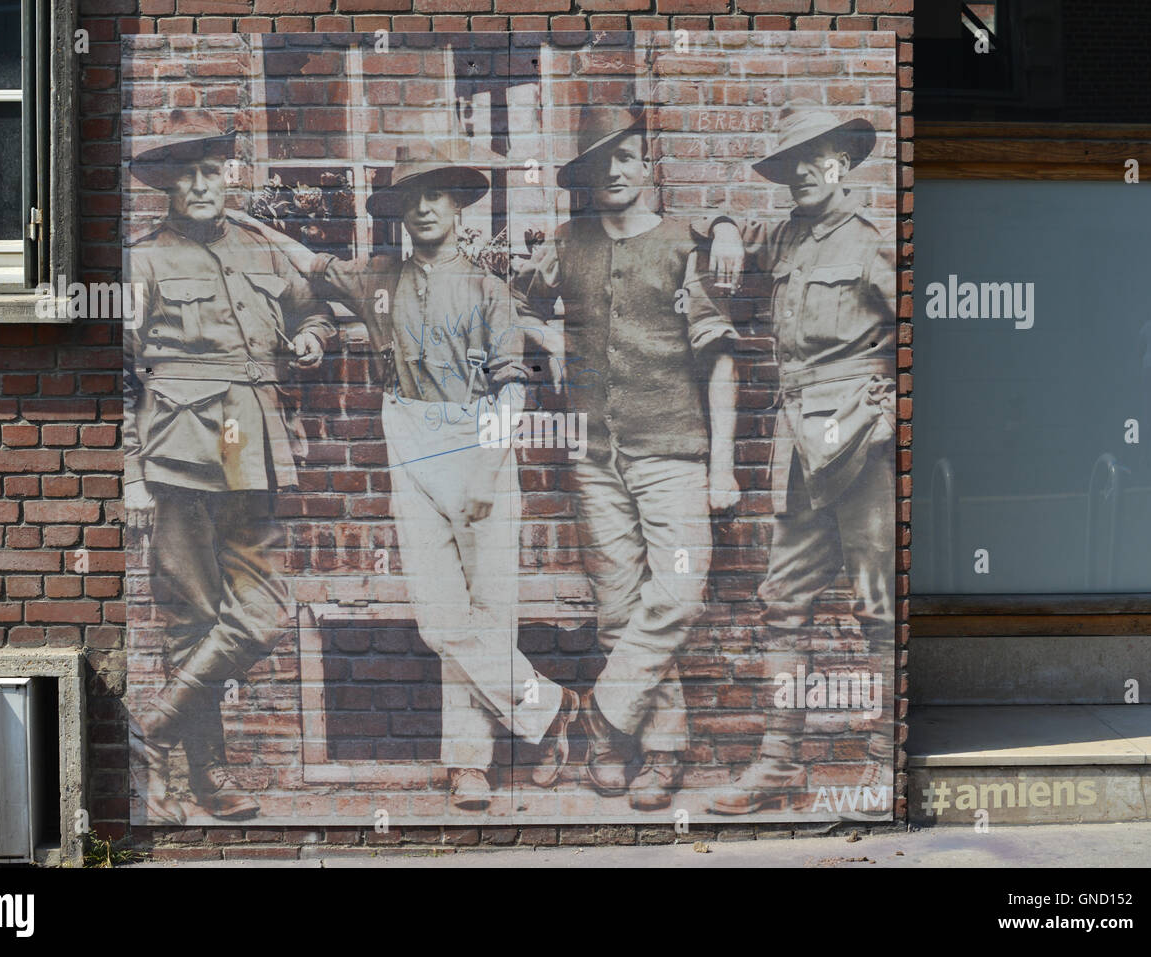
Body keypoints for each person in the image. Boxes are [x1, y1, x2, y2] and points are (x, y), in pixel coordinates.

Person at [257, 141, 580, 812]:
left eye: (439, 194)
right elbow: (307, 263)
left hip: (481, 439)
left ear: (460, 205)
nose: (427, 207)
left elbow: (513, 389)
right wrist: (243, 222)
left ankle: (470, 764)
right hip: (410, 435)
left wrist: (491, 470)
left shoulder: (492, 290)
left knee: (489, 609)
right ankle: (551, 708)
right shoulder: (378, 277)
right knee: (440, 616)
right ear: (400, 210)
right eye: (413, 196)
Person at [513, 103, 745, 810]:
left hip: (672, 452)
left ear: (645, 168)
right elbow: (518, 305)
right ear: (583, 176)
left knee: (676, 593)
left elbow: (722, 358)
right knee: (619, 611)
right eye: (599, 161)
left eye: (627, 157)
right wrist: (547, 339)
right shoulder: (567, 241)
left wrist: (723, 466)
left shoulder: (683, 244)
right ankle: (654, 751)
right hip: (593, 457)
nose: (614, 171)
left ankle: (601, 715)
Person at [123, 109, 334, 824]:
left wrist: (311, 337)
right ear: (168, 190)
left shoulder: (261, 248)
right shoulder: (143, 261)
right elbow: (119, 373)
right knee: (194, 615)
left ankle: (148, 727)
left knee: (265, 609)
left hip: (253, 442)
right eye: (186, 176)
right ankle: (204, 778)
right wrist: (131, 471)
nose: (201, 185)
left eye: (210, 171)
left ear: (226, 176)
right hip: (179, 450)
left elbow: (315, 311)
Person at [695, 104, 897, 816]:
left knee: (879, 608)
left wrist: (891, 413)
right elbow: (712, 228)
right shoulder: (781, 237)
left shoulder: (874, 244)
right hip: (799, 447)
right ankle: (777, 764)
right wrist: (722, 224)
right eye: (792, 163)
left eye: (820, 156)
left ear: (845, 162)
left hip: (865, 446)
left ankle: (887, 767)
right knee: (783, 605)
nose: (806, 171)